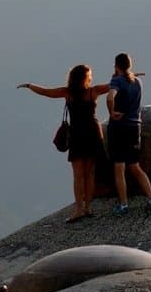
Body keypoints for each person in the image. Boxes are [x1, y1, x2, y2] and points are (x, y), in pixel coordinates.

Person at [18, 65, 108, 223]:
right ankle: (87, 208)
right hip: (93, 134)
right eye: (89, 75)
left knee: (78, 175)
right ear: (84, 78)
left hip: (78, 135)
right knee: (89, 173)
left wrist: (30, 85)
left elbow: (46, 92)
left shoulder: (67, 93)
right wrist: (129, 76)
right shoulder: (93, 91)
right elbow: (114, 84)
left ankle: (79, 209)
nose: (91, 78)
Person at [108, 52, 151, 215]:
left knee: (119, 167)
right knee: (135, 166)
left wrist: (112, 112)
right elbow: (127, 81)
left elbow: (110, 97)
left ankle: (124, 205)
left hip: (119, 127)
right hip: (134, 127)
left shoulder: (116, 81)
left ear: (116, 65)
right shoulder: (137, 82)